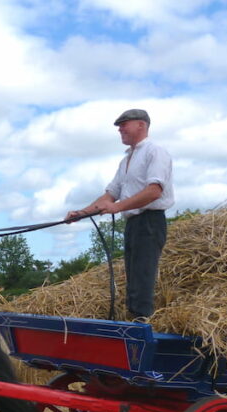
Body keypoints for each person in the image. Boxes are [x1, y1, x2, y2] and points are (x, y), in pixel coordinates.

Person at [65, 108, 174, 321]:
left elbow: (154, 191)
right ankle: (133, 322)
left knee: (142, 278)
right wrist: (81, 213)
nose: (120, 129)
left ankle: (142, 326)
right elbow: (110, 195)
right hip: (133, 223)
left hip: (150, 222)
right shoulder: (126, 161)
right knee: (132, 279)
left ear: (141, 125)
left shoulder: (155, 151)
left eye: (124, 124)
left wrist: (119, 207)